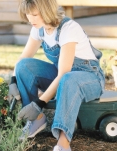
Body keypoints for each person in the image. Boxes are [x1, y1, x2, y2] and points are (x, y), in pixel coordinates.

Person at [8, 0, 105, 151]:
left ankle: (63, 143)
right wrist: (13, 80)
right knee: (24, 66)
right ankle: (36, 120)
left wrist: (39, 103)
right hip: (63, 76)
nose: (30, 19)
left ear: (47, 11)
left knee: (68, 79)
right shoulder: (38, 28)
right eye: (27, 14)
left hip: (89, 77)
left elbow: (64, 73)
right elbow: (24, 57)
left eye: (35, 14)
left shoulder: (68, 28)